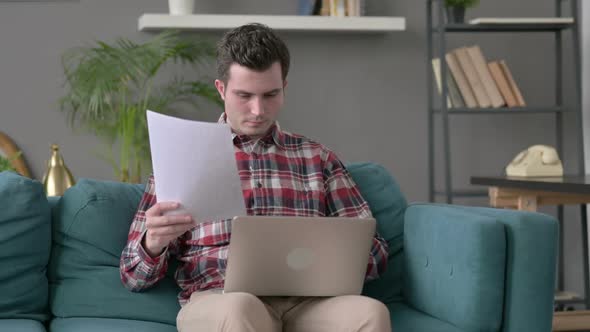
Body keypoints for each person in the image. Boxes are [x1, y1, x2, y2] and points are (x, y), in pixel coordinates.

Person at [120, 23, 391, 332]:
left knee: (371, 313)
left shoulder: (319, 158)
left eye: (270, 94)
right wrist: (153, 242)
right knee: (240, 309)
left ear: (284, 88)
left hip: (310, 303)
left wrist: (342, 255)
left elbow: (377, 253)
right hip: (221, 299)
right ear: (221, 89)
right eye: (244, 95)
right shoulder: (183, 156)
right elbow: (132, 275)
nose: (258, 110)